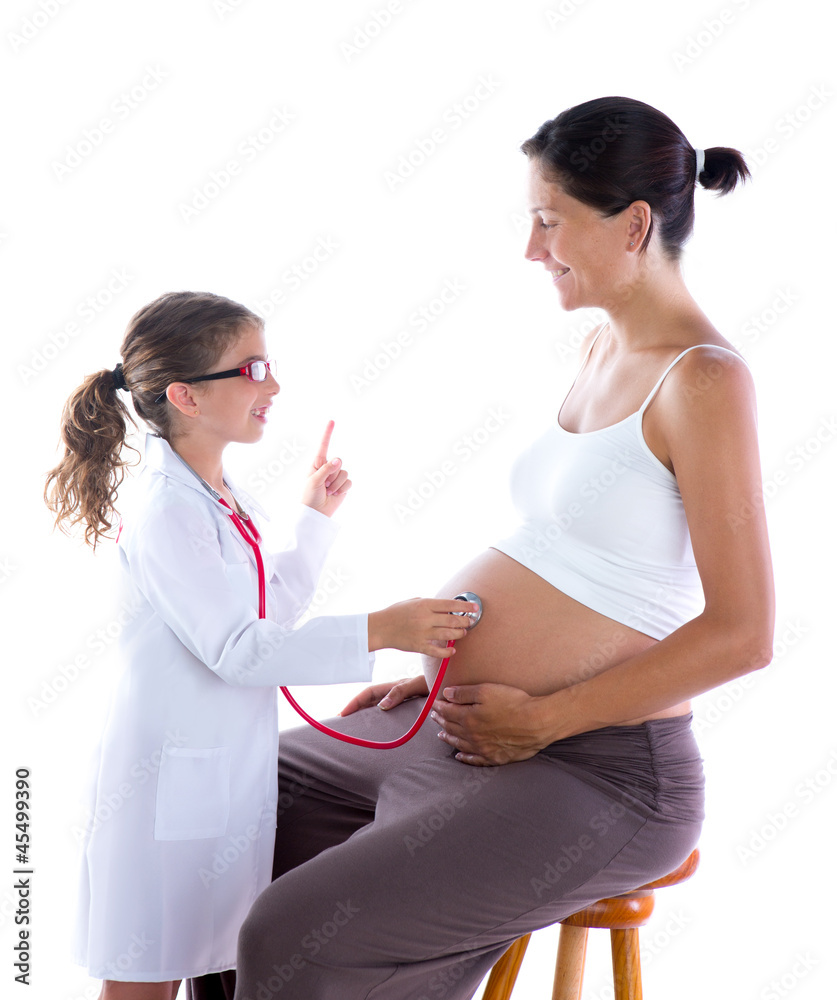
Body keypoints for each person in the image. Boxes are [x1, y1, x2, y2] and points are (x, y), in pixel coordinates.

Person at [189, 96, 775, 1000]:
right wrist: (442, 672)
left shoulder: (702, 379)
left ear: (632, 225)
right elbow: (569, 553)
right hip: (470, 728)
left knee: (290, 931)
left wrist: (544, 717)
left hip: (600, 772)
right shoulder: (598, 349)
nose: (532, 249)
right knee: (226, 812)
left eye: (549, 221)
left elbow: (743, 636)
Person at [44, 291, 476, 999]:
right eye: (252, 370)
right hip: (165, 781)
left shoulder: (214, 493)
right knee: (144, 980)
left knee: (188, 959)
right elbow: (241, 651)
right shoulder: (166, 510)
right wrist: (382, 629)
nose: (272, 386)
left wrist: (312, 519)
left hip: (210, 776)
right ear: (185, 395)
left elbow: (261, 617)